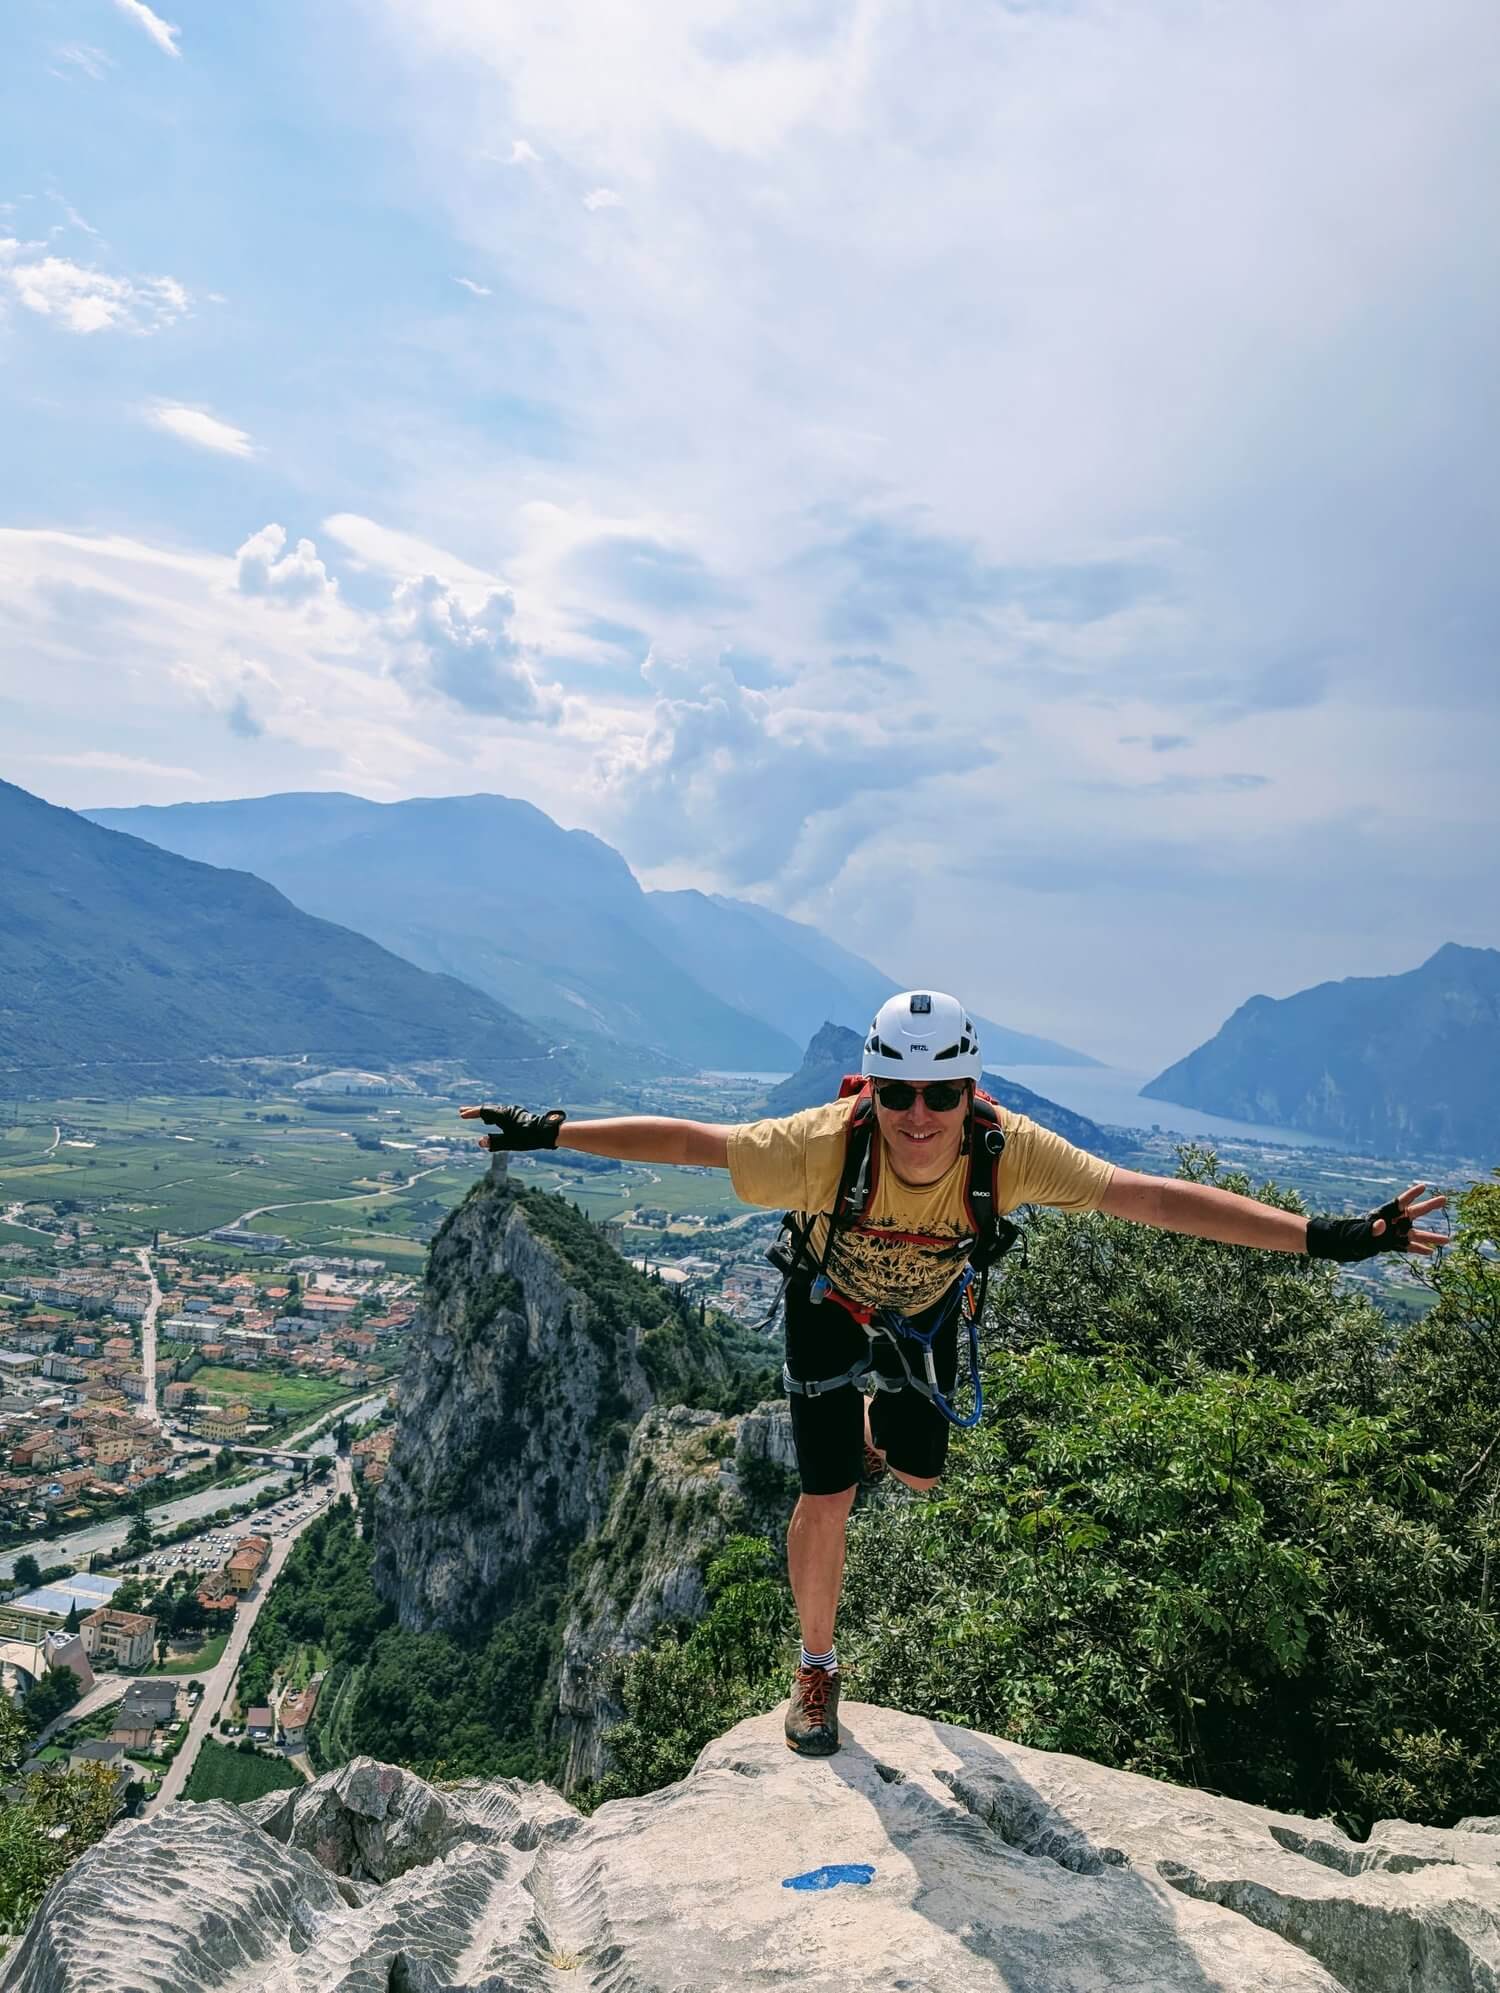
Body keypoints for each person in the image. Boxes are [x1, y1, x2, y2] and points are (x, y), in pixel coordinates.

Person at [461, 990, 1447, 1760]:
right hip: (825, 1309)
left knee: (925, 1474)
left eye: (942, 1093)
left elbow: (1153, 1199)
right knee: (827, 1491)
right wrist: (552, 1132)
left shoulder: (1007, 1155)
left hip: (926, 1318)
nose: (920, 1116)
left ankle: (888, 1438)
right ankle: (816, 1666)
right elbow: (691, 1144)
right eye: (898, 1093)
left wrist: (1331, 1237)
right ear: (872, 1089)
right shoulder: (820, 1147)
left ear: (970, 1092)